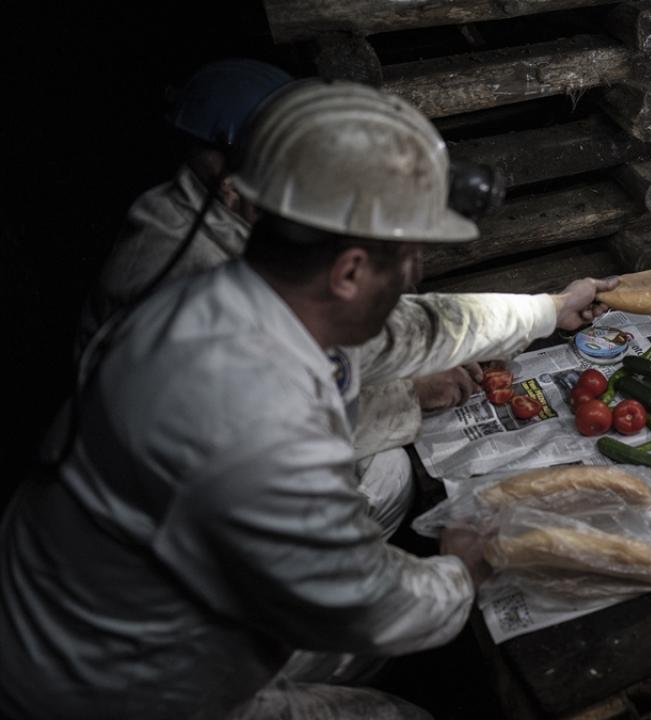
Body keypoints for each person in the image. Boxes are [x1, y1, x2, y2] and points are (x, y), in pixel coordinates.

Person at [0, 80, 617, 719]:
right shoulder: (249, 412)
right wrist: (460, 574)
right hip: (113, 688)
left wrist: (545, 310)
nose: (417, 274)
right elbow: (359, 598)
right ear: (349, 272)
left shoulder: (257, 294)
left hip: (148, 606)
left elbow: (415, 326)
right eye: (410, 259)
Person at [77, 58, 484, 539]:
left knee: (385, 465)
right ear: (233, 176)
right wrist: (412, 395)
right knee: (382, 478)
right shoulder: (190, 271)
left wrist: (430, 351)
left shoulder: (217, 218)